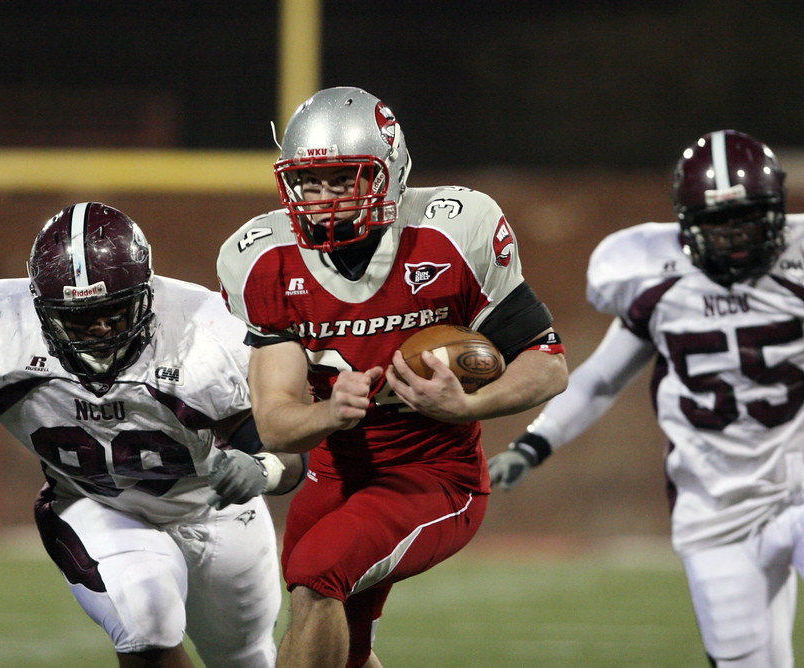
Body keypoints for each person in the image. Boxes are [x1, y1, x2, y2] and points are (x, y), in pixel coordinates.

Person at [0, 202, 306, 668]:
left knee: (244, 656)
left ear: (147, 296)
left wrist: (261, 469)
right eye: (80, 319)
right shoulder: (0, 329)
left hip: (215, 510)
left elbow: (282, 443)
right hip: (99, 506)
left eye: (114, 312)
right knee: (146, 627)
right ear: (42, 308)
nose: (100, 330)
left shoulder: (205, 333)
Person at [216, 87, 569, 668]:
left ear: (390, 173)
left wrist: (466, 407)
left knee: (317, 577)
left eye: (342, 181)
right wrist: (329, 412)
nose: (323, 202)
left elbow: (547, 364)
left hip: (434, 472)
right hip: (332, 472)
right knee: (346, 646)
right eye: (309, 183)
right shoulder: (261, 259)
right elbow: (275, 424)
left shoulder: (453, 231)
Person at [489, 129, 804, 667]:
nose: (734, 239)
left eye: (748, 220)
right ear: (685, 224)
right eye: (718, 225)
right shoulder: (653, 277)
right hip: (715, 506)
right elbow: (599, 378)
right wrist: (533, 444)